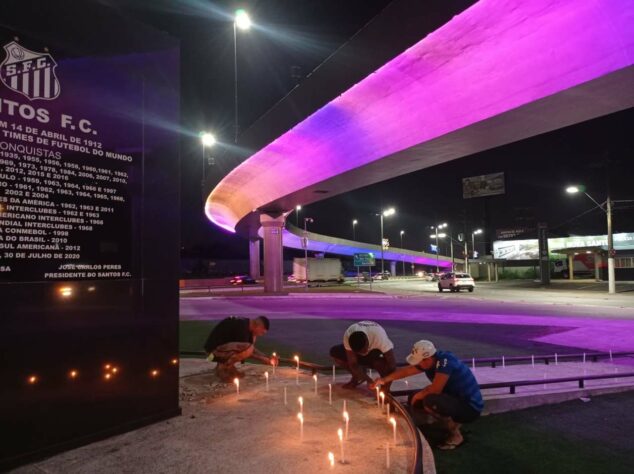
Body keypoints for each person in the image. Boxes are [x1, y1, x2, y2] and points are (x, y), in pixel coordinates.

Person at [370, 340, 483, 450]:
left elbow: (435, 390)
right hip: (456, 398)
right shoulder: (432, 360)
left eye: (419, 362)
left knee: (429, 401)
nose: (418, 364)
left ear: (428, 359)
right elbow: (406, 371)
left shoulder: (445, 362)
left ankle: (455, 434)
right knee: (417, 399)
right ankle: (448, 424)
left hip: (470, 406)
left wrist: (418, 396)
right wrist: (383, 380)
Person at [204, 316, 277, 382]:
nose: (261, 335)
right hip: (211, 354)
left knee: (248, 347)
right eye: (262, 332)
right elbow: (246, 350)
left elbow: (250, 348)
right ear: (258, 326)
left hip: (219, 351)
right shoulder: (241, 327)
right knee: (247, 348)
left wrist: (266, 356)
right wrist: (262, 359)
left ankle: (229, 367)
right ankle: (222, 369)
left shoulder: (247, 325)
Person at [330, 321, 396, 390]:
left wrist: (385, 384)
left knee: (383, 364)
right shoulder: (348, 335)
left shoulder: (379, 338)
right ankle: (357, 377)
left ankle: (385, 390)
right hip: (360, 352)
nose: (363, 354)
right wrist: (368, 380)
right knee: (335, 352)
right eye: (359, 352)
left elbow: (392, 366)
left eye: (364, 350)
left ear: (367, 342)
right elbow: (353, 363)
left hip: (374, 353)